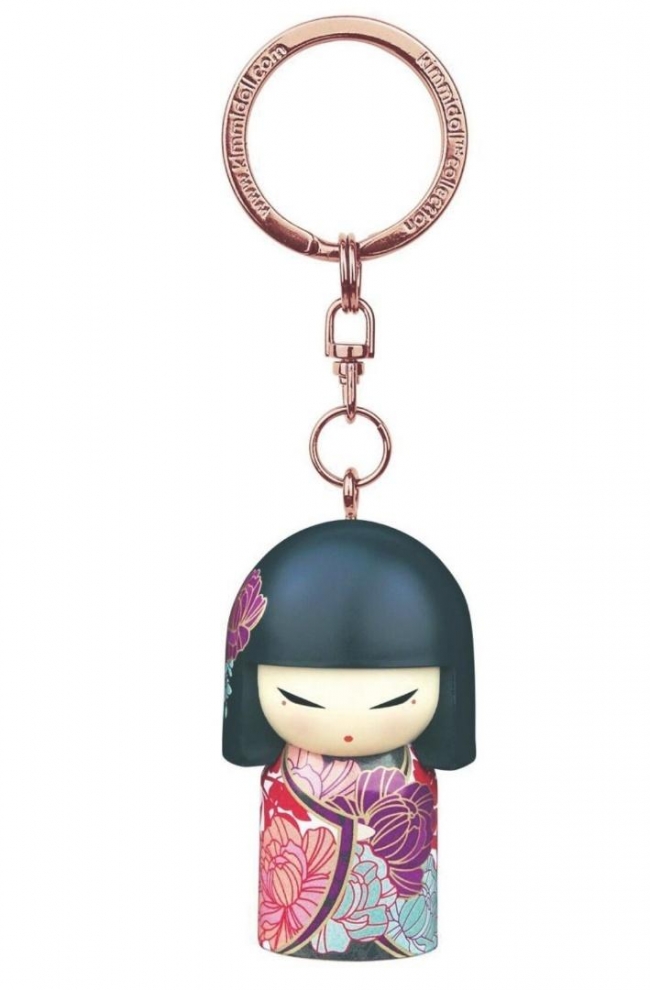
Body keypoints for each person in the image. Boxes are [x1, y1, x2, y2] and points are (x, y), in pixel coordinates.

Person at [223, 519, 475, 960]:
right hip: (291, 926)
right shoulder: (284, 774)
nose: (347, 724)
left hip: (400, 930)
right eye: (298, 698)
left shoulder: (413, 775)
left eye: (395, 699)